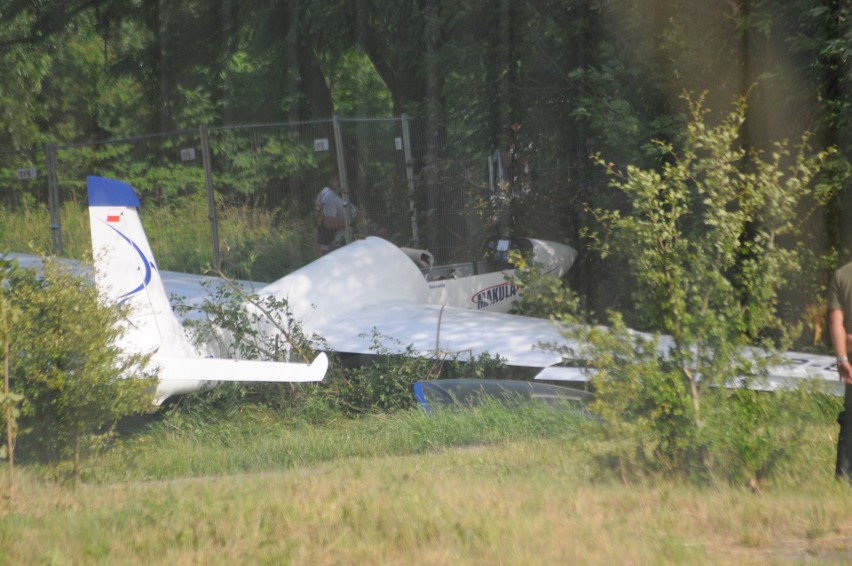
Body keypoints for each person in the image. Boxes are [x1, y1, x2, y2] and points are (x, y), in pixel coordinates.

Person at [827, 261, 852, 480]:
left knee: (850, 418)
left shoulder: (842, 274)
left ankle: (843, 478)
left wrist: (842, 357)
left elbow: (836, 319)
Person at [315, 175, 356, 257]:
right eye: (334, 179)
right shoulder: (329, 196)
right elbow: (325, 222)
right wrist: (353, 221)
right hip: (335, 245)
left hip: (347, 242)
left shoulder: (347, 196)